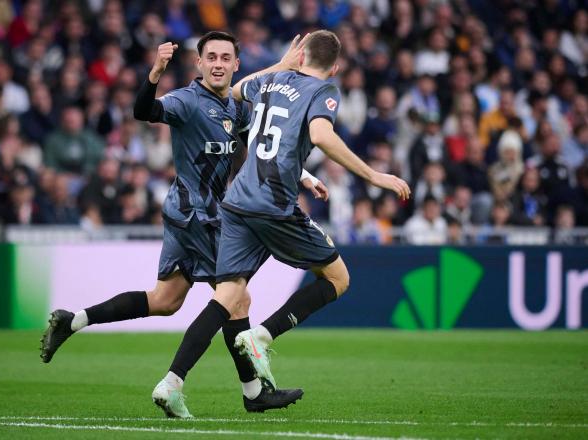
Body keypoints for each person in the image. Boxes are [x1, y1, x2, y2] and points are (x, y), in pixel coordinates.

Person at [40, 31, 327, 417]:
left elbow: (262, 149)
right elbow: (145, 111)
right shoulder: (187, 101)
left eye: (226, 57)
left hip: (187, 213)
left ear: (236, 65)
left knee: (166, 301)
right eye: (211, 57)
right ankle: (234, 389)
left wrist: (304, 176)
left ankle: (72, 321)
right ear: (199, 63)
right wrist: (155, 72)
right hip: (198, 215)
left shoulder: (235, 110)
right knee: (236, 298)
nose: (219, 63)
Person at [152, 30, 410, 415]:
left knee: (228, 297)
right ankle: (263, 335)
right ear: (335, 67)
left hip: (236, 203)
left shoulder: (271, 80)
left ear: (301, 57)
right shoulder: (325, 90)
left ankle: (172, 382)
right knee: (339, 279)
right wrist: (375, 176)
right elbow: (321, 135)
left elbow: (235, 91)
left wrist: (280, 65)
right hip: (272, 204)